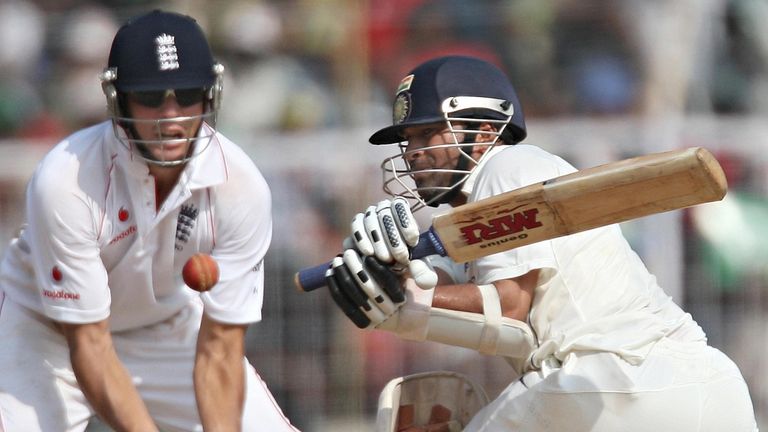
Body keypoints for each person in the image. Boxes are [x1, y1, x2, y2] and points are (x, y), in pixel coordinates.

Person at [324, 55, 758, 431]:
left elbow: (509, 304)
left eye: (429, 133)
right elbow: (498, 322)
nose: (413, 152)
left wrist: (408, 299)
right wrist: (398, 289)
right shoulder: (469, 218)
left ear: (482, 130)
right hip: (708, 387)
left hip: (613, 376)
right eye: (409, 141)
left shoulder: (508, 167)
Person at [0, 10, 298, 432]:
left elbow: (220, 349)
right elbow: (90, 343)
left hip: (166, 329)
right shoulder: (66, 179)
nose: (171, 116)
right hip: (47, 332)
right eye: (151, 97)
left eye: (187, 93)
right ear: (117, 99)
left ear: (210, 94)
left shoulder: (240, 185)